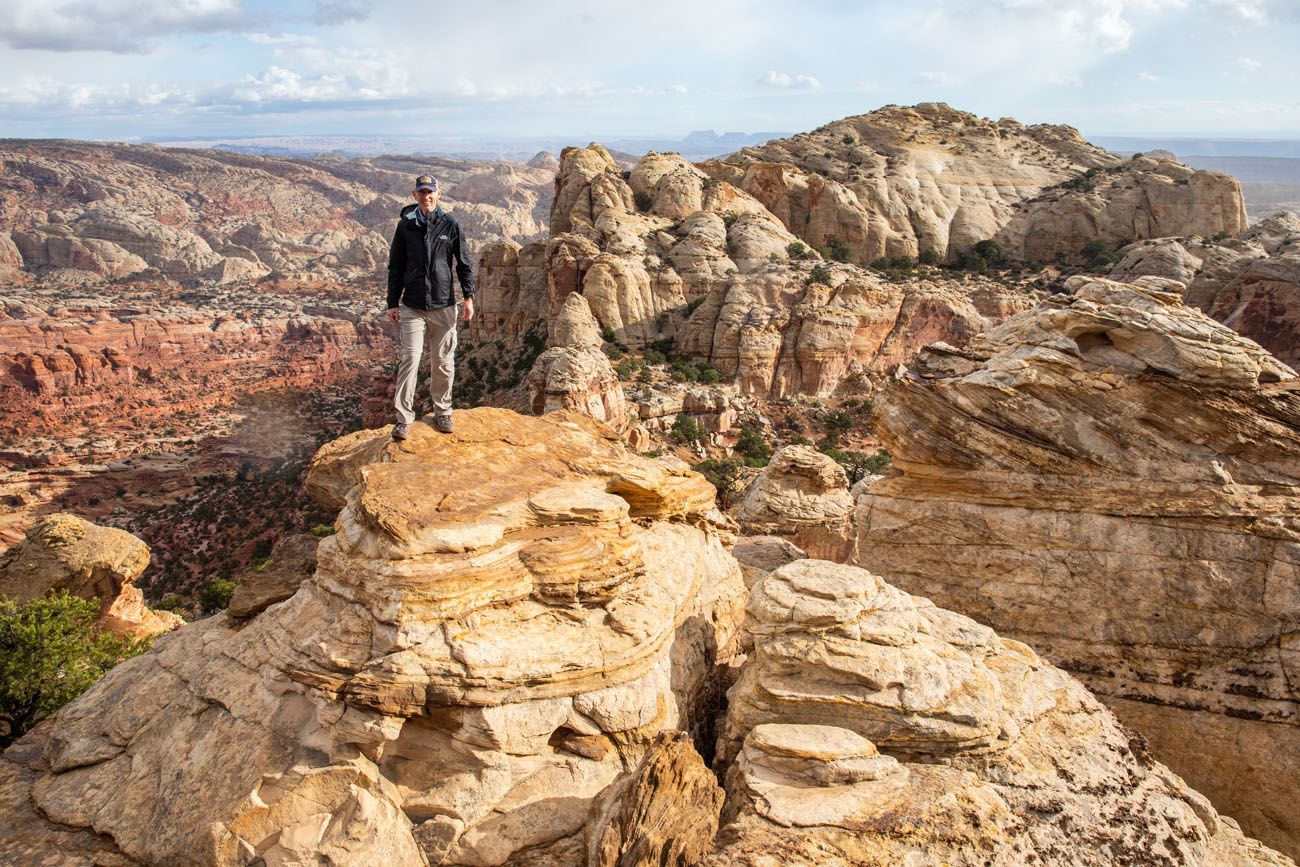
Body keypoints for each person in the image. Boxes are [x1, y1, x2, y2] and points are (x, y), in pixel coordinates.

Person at [386, 174, 475, 439]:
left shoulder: (450, 224)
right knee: (410, 359)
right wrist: (392, 302)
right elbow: (396, 266)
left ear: (438, 194)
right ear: (414, 195)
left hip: (444, 304)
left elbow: (464, 263)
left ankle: (443, 412)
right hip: (412, 304)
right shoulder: (405, 226)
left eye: (430, 192)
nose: (427, 197)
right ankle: (403, 419)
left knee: (443, 361)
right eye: (422, 192)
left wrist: (468, 297)